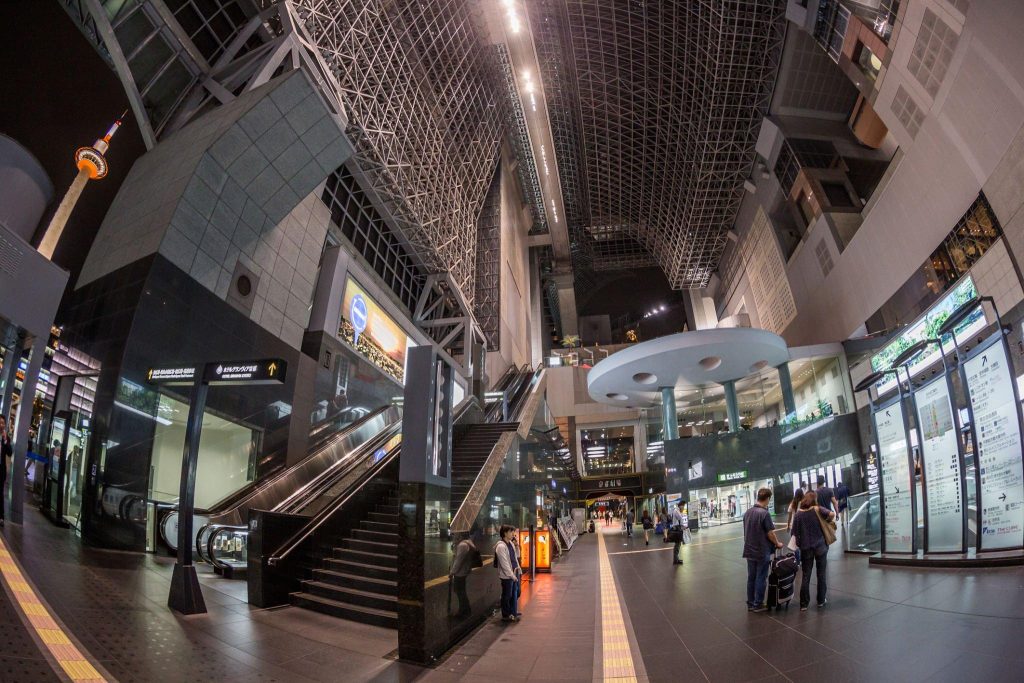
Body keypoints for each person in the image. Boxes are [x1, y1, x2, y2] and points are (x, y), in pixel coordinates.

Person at [790, 490, 836, 610]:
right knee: (821, 574)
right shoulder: (817, 509)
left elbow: (794, 532)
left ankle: (804, 604)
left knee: (806, 575)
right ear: (814, 500)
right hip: (820, 546)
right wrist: (825, 520)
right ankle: (821, 600)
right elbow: (832, 514)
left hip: (806, 548)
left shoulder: (799, 514)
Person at [742, 487, 783, 612]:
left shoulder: (747, 512)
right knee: (761, 577)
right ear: (768, 499)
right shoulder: (764, 513)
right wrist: (777, 543)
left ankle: (750, 603)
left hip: (749, 549)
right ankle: (758, 604)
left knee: (751, 577)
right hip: (761, 550)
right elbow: (770, 533)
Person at [494, 525, 523, 621]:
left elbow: (516, 557)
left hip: (515, 571)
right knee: (508, 595)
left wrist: (517, 546)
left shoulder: (510, 543)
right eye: (511, 532)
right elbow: (504, 564)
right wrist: (511, 575)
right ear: (505, 533)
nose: (513, 534)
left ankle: (512, 611)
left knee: (517, 593)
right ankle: (507, 614)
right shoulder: (501, 547)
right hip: (507, 576)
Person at [450, 532, 479, 618]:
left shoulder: (463, 545)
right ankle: (466, 609)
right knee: (461, 591)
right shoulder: (468, 542)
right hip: (465, 569)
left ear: (461, 535)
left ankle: (463, 611)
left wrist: (452, 572)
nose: (454, 535)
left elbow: (458, 560)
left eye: (456, 534)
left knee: (460, 591)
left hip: (460, 571)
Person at [785, 487, 805, 563]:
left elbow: (789, 516)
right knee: (803, 542)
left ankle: (798, 560)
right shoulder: (805, 502)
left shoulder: (793, 503)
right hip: (803, 525)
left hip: (794, 525)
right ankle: (803, 558)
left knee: (795, 543)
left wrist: (788, 526)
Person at [0, 416, 11, 527]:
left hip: (1, 469)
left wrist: (5, 440)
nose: (1, 425)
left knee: (0, 493)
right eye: (0, 423)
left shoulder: (6, 438)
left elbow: (9, 453)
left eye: (3, 423)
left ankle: (1, 517)